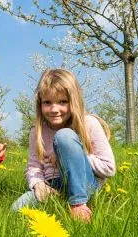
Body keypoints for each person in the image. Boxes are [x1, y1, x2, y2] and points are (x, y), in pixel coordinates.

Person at [11, 69, 115, 222]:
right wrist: (38, 184)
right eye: (47, 102)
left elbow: (109, 168)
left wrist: (70, 156)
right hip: (53, 186)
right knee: (16, 210)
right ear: (40, 104)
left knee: (64, 136)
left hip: (85, 183)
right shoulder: (36, 132)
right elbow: (33, 166)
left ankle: (78, 204)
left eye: (62, 102)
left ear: (74, 101)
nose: (54, 109)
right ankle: (62, 201)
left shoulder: (89, 124)